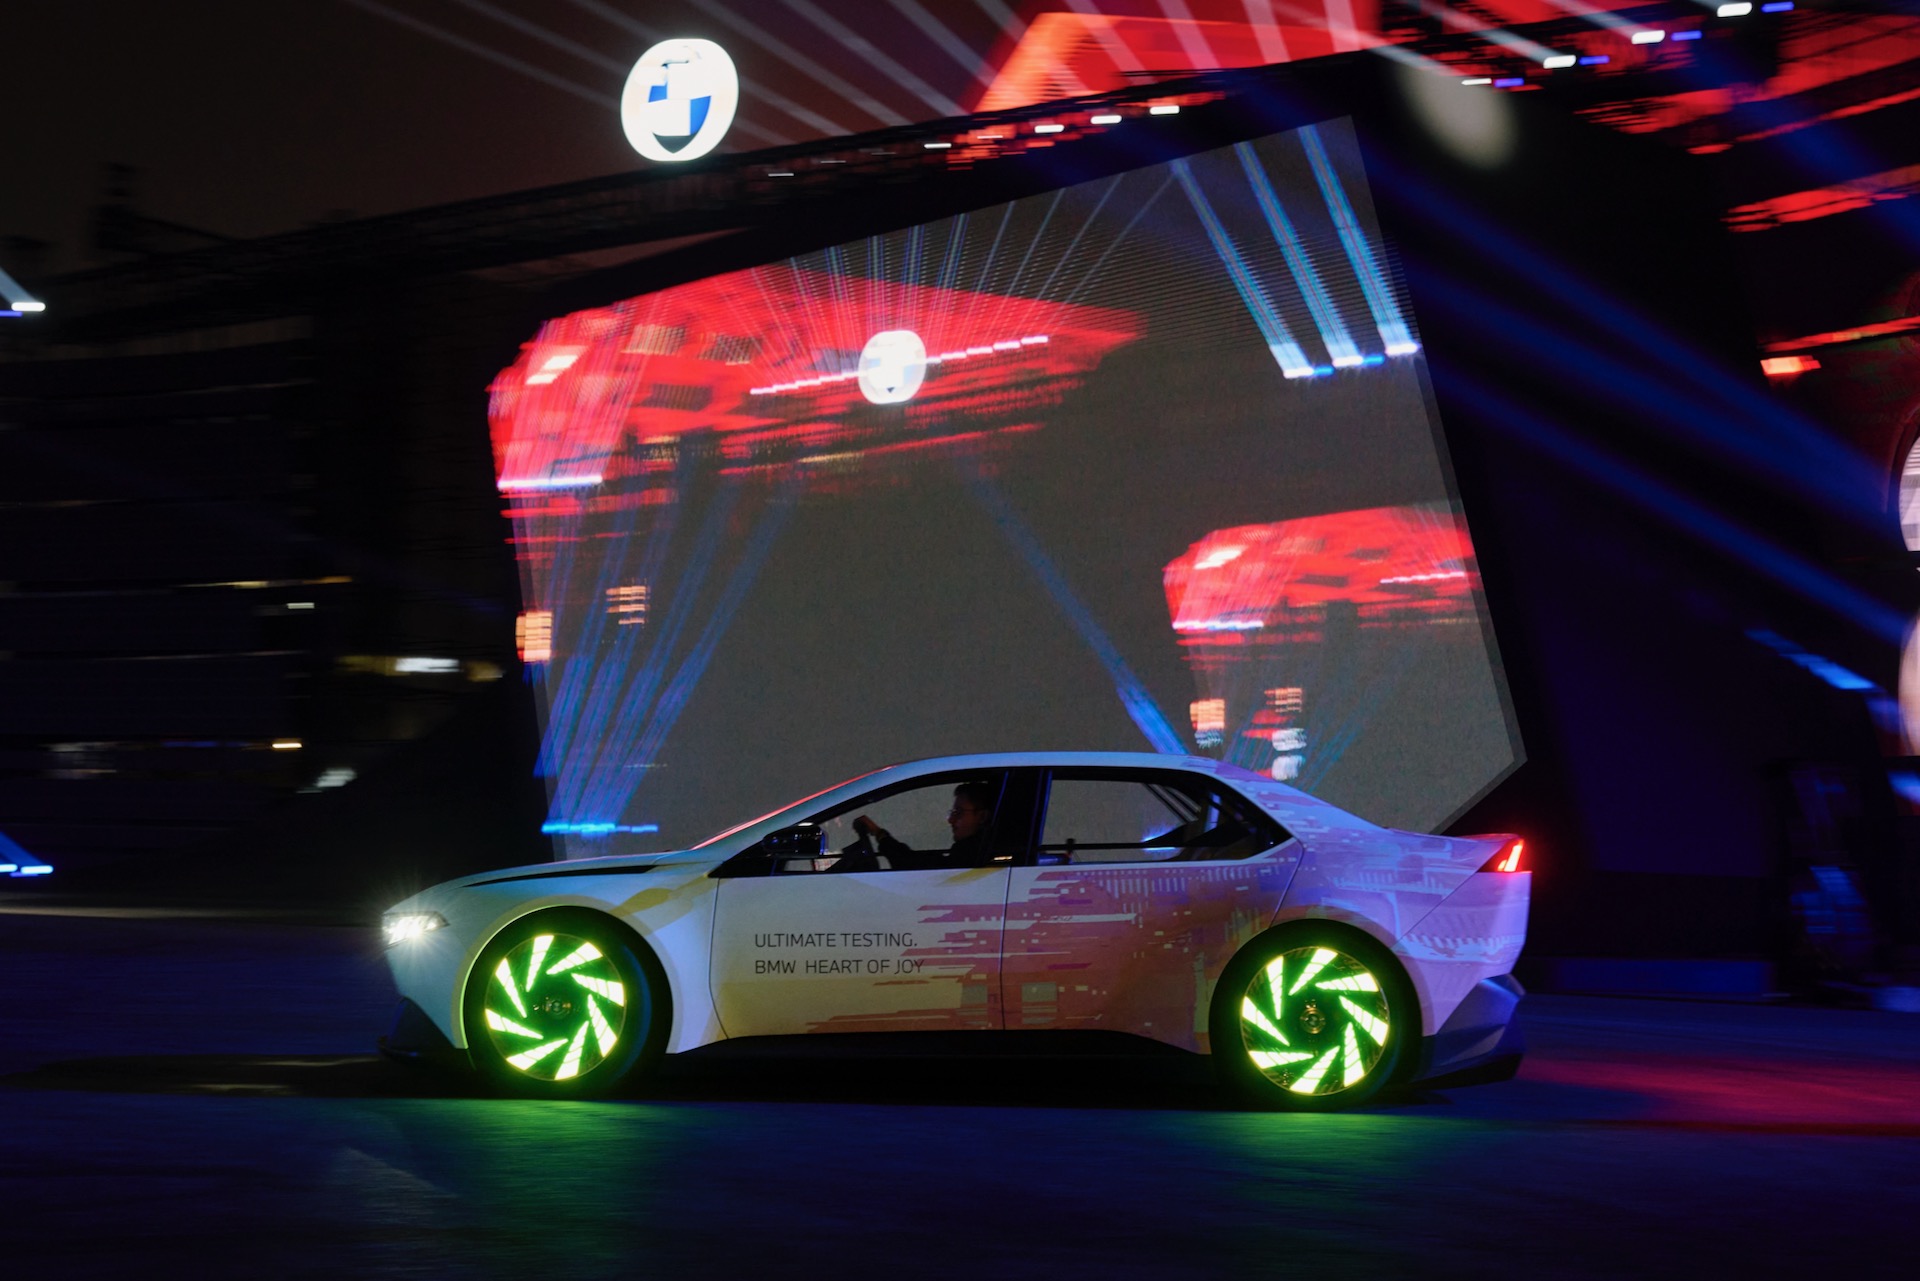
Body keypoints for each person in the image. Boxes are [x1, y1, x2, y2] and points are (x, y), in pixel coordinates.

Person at [844, 780, 998, 870]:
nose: (951, 820)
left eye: (959, 813)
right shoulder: (976, 854)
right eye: (953, 812)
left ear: (982, 816)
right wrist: (879, 834)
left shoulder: (970, 859)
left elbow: (916, 864)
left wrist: (880, 835)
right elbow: (920, 861)